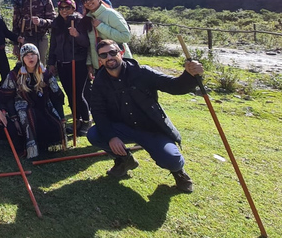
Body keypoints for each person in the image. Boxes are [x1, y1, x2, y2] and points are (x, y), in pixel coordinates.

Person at [86, 40, 202, 192]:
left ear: (121, 53)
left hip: (151, 129)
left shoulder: (142, 72)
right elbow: (98, 111)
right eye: (104, 55)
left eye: (113, 52)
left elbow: (174, 86)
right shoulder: (99, 82)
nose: (109, 57)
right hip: (124, 128)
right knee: (94, 134)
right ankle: (124, 159)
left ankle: (179, 173)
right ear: (100, 60)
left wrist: (190, 75)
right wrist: (111, 137)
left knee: (172, 160)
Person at [0, 43, 65, 159]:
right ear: (22, 58)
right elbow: (6, 97)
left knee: (54, 120)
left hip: (44, 104)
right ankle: (32, 150)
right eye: (27, 55)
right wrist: (14, 118)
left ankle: (48, 145)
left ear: (38, 56)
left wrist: (62, 116)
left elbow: (57, 95)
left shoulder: (45, 74)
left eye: (33, 54)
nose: (30, 58)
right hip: (22, 105)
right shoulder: (14, 75)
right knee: (28, 120)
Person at [48, 0, 92, 136]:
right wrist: (51, 63)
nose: (64, 11)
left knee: (78, 94)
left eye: (67, 8)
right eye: (61, 8)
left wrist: (77, 34)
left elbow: (86, 43)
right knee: (69, 94)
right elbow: (53, 45)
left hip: (77, 62)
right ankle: (76, 120)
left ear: (73, 8)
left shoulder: (80, 21)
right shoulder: (57, 24)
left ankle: (86, 121)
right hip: (62, 63)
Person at [80, 0, 132, 81]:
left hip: (118, 63)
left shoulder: (110, 14)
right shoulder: (88, 19)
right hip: (101, 66)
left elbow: (125, 36)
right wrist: (90, 64)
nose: (88, 2)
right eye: (84, 0)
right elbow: (90, 44)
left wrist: (101, 26)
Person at [12, 0, 55, 65]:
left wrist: (41, 22)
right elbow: (15, 23)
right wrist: (15, 43)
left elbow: (53, 20)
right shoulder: (20, 0)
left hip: (41, 38)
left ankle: (41, 80)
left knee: (40, 65)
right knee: (24, 65)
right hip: (24, 38)